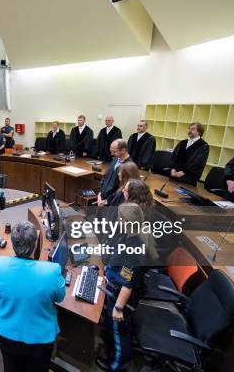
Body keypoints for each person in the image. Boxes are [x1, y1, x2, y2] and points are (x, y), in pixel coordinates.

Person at [0, 221, 65, 372]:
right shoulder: (52, 270)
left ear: (13, 244)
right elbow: (60, 297)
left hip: (4, 334)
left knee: (10, 366)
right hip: (40, 340)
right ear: (35, 245)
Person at [96, 203, 152, 372]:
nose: (118, 220)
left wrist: (118, 308)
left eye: (120, 218)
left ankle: (118, 365)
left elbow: (127, 284)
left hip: (120, 296)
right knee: (112, 328)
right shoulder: (129, 234)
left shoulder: (135, 249)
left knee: (119, 331)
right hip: (113, 285)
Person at [98, 139, 132, 206]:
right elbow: (105, 176)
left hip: (113, 203)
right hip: (102, 198)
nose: (112, 154)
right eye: (111, 151)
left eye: (114, 152)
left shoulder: (129, 166)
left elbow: (122, 188)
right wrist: (100, 193)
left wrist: (107, 201)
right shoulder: (116, 159)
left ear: (123, 150)